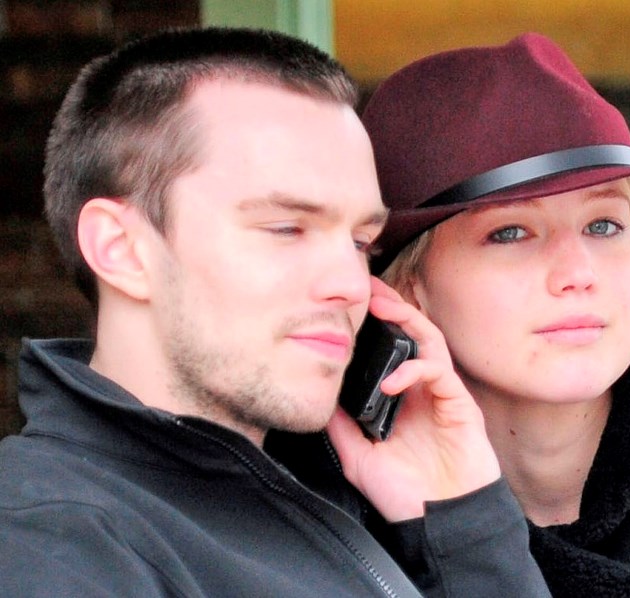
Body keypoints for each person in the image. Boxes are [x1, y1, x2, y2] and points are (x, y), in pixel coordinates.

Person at [0, 27, 551, 597]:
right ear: (121, 249)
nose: (351, 285)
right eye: (287, 228)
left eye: (361, 243)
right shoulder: (46, 549)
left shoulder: (339, 494)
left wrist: (459, 524)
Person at [361, 32, 630, 597]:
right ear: (407, 287)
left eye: (604, 225)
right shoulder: (324, 494)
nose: (578, 271)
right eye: (510, 232)